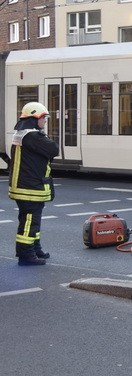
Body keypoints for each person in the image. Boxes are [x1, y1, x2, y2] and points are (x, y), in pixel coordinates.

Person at [8, 102, 59, 266]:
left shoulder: (23, 134)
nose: (45, 121)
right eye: (44, 118)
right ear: (35, 118)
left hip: (26, 186)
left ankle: (35, 249)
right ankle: (26, 255)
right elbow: (53, 149)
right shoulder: (32, 136)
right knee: (29, 221)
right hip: (29, 188)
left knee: (32, 221)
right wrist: (43, 135)